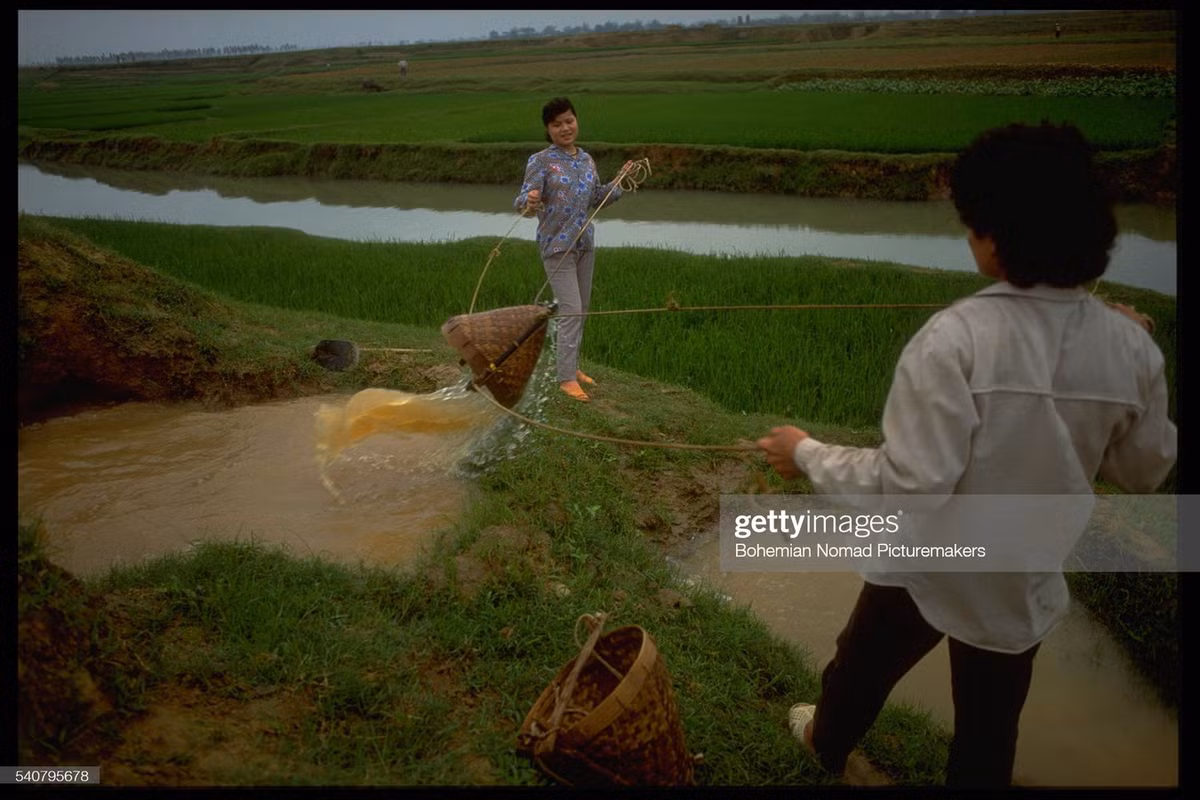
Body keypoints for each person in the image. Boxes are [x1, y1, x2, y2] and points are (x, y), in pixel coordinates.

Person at [756, 121, 1176, 788]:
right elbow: (1144, 471)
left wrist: (805, 452)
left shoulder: (952, 339)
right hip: (1018, 576)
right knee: (988, 729)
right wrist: (1134, 358)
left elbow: (910, 483)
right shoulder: (1130, 348)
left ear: (996, 240)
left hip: (928, 561)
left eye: (973, 222)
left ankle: (824, 744)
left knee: (859, 667)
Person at [515, 97, 633, 402]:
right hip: (557, 247)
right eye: (557, 124)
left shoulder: (586, 160)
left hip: (584, 245)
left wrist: (620, 181)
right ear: (548, 129)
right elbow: (523, 202)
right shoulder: (541, 161)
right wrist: (530, 201)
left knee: (582, 309)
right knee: (571, 309)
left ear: (576, 120)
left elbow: (596, 199)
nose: (565, 128)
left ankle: (573, 367)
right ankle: (566, 379)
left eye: (569, 121)